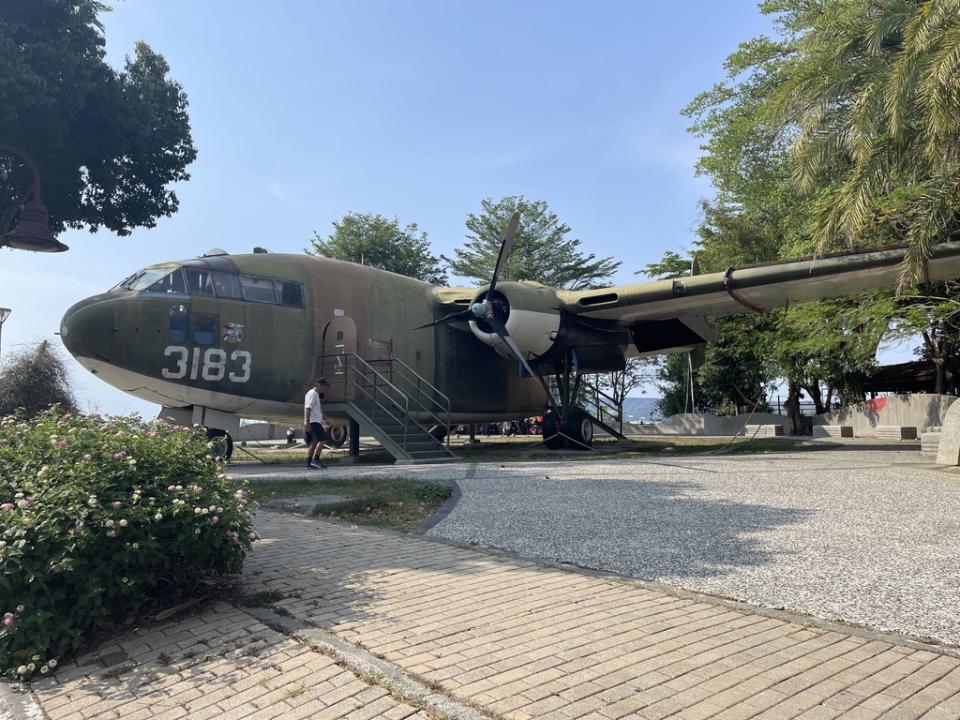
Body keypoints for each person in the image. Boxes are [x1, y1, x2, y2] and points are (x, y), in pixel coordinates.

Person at [304, 377, 330, 469]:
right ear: (318, 385)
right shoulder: (312, 394)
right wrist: (307, 422)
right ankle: (316, 460)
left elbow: (318, 410)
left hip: (315, 421)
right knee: (322, 440)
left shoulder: (316, 395)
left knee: (314, 442)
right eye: (324, 386)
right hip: (313, 422)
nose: (325, 389)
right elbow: (308, 408)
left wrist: (325, 419)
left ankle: (309, 462)